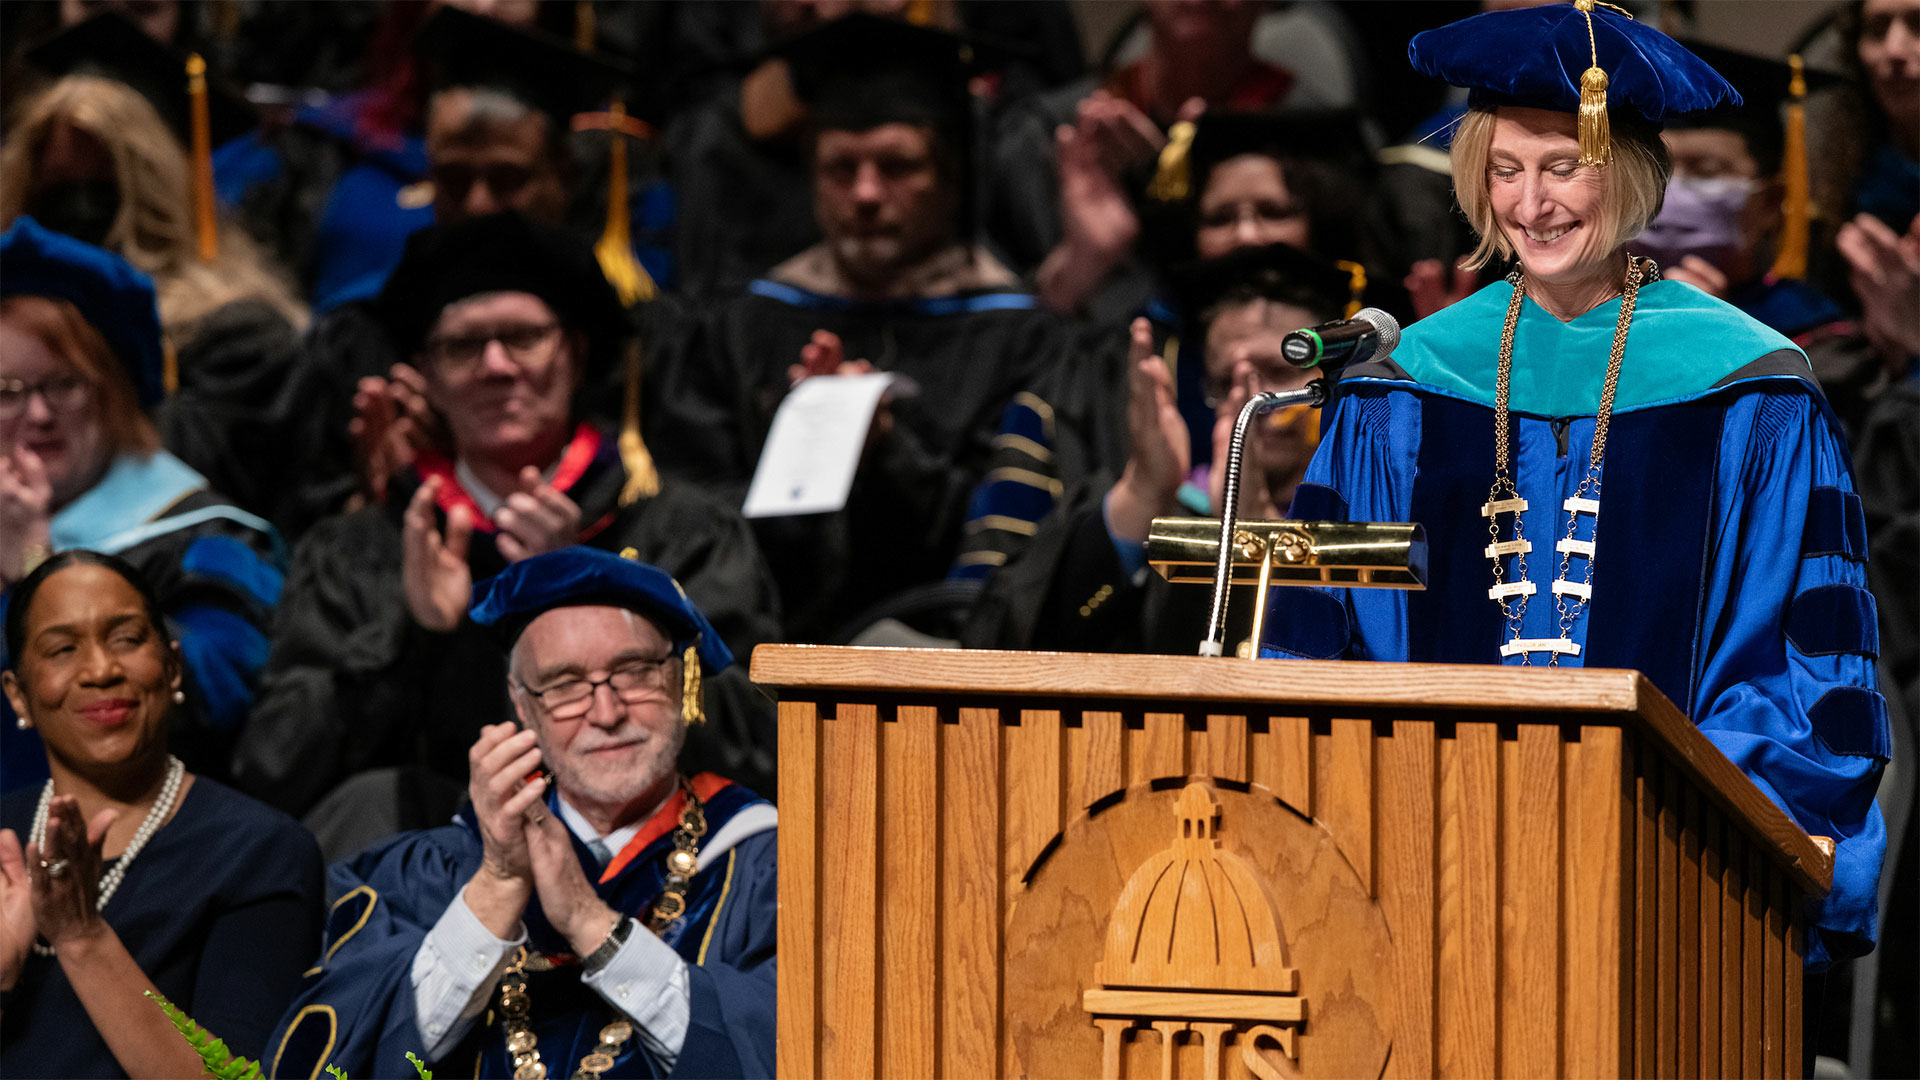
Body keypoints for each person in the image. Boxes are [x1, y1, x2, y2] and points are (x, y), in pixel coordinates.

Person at [1259, 1, 1888, 969]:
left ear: (1628, 172)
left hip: (1665, 887)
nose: (1532, 204)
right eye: (1504, 170)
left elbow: (1801, 674)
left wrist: (1655, 823)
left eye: (1563, 167)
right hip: (1424, 886)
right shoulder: (1401, 385)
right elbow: (1321, 644)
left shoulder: (1749, 393)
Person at [235, 213, 780, 844]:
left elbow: (759, 746)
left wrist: (589, 594)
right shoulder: (362, 550)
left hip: (651, 869)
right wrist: (413, 643)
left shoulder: (682, 532)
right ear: (426, 375)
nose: (497, 366)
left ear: (574, 352)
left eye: (523, 337)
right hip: (428, 877)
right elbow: (273, 770)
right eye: (463, 346)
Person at [265, 548, 775, 1080]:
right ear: (521, 703)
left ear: (679, 680)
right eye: (564, 684)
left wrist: (590, 923)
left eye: (634, 672)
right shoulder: (432, 873)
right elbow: (339, 1057)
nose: (606, 712)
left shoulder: (770, 870)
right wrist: (498, 887)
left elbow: (796, 1051)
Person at [652, 13, 1067, 642]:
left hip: (946, 666)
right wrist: (806, 447)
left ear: (951, 180)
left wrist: (886, 454)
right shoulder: (741, 327)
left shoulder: (1022, 340)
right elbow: (693, 513)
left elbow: (1016, 538)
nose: (866, 193)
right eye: (840, 169)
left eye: (897, 167)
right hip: (759, 656)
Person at [1, 12, 334, 542]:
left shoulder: (238, 340)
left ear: (154, 195)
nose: (78, 223)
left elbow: (198, 505)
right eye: (57, 197)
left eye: (102, 194)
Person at [0, 550, 323, 1077]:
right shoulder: (3, 838)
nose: (102, 670)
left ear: (172, 667)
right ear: (19, 696)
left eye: (126, 639)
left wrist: (83, 938)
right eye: (62, 649)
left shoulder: (259, 851)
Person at [0, 217, 285, 791]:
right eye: (6, 391)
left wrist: (35, 568)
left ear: (115, 392)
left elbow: (214, 700)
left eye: (64, 384)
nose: (37, 416)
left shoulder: (205, 536)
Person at [961, 242, 1349, 653]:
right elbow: (1006, 640)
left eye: (1279, 372)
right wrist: (1142, 493)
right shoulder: (1174, 519)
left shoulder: (1368, 502)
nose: (1249, 395)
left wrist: (1255, 529)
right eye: (1226, 380)